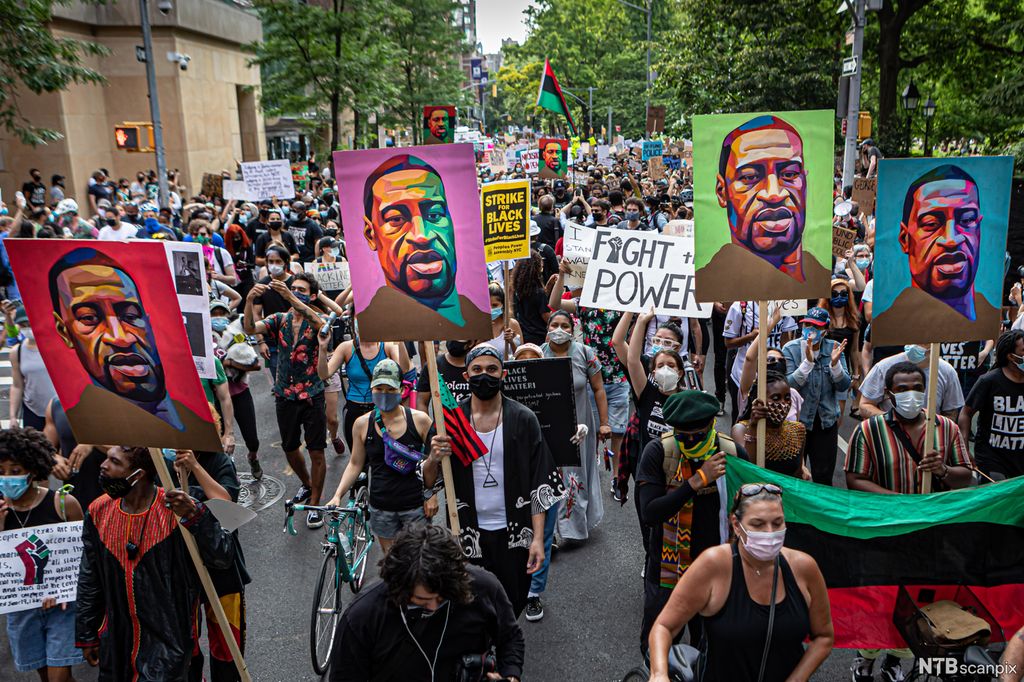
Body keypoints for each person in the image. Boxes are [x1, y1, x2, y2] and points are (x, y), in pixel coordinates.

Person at [845, 363, 973, 682]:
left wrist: (943, 470)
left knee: (917, 598)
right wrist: (897, 503)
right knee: (880, 597)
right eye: (901, 389)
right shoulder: (869, 430)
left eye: (916, 386)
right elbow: (854, 478)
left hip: (931, 535)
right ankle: (866, 656)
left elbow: (966, 475)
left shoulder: (946, 429)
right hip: (884, 531)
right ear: (888, 394)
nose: (910, 394)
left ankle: (895, 658)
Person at [424, 345, 566, 616]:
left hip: (515, 535)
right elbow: (429, 482)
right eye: (477, 370)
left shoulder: (524, 419)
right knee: (471, 606)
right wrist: (433, 457)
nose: (484, 375)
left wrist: (537, 539)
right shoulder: (450, 422)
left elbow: (539, 486)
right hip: (468, 535)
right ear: (466, 376)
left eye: (491, 369)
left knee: (511, 604)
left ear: (503, 375)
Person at [76, 445, 235, 680]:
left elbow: (222, 556)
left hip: (172, 645)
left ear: (137, 474)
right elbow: (90, 578)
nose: (103, 466)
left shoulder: (179, 508)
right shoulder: (98, 511)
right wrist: (87, 633)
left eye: (115, 462)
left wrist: (195, 517)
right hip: (118, 643)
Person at [647, 484, 833, 682]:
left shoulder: (804, 568)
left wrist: (796, 679)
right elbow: (664, 627)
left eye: (777, 523)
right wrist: (659, 674)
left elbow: (824, 637)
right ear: (736, 524)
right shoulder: (713, 565)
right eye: (758, 524)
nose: (769, 533)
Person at [48, 247, 215, 444]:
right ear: (64, 331)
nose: (120, 338)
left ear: (149, 321)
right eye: (89, 318)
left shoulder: (200, 422)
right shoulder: (82, 424)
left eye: (130, 316)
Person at [329, 523, 524, 682]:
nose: (433, 607)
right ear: (399, 584)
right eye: (421, 600)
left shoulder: (483, 586)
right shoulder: (362, 616)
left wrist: (511, 676)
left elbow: (510, 637)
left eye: (442, 598)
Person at [636, 391, 747, 653]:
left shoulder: (731, 453)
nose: (691, 442)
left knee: (709, 646)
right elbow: (650, 513)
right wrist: (695, 482)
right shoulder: (659, 452)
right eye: (683, 437)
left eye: (699, 436)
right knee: (657, 647)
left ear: (711, 426)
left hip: (715, 570)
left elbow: (750, 508)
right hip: (667, 571)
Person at [356, 153, 487, 338]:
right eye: (396, 219)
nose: (422, 236)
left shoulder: (484, 321)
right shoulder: (373, 329)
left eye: (434, 215)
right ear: (371, 235)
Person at [872, 164, 999, 337]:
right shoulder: (885, 328)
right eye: (931, 224)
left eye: (967, 220)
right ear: (904, 239)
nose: (951, 239)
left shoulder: (993, 325)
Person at [243, 274, 329, 528]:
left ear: (312, 295)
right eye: (292, 289)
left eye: (301, 290)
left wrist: (290, 297)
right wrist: (249, 301)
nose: (295, 292)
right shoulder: (280, 320)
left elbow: (320, 324)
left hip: (312, 394)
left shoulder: (316, 319)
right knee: (290, 448)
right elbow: (250, 328)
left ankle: (315, 503)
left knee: (316, 451)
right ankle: (307, 484)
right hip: (285, 395)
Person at [704, 115, 829, 287]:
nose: (773, 194)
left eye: (790, 174)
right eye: (750, 177)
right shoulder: (709, 286)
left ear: (805, 185)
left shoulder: (827, 284)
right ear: (722, 192)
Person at [1, 427, 85, 682]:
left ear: (33, 470)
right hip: (22, 608)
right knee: (46, 675)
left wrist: (63, 589)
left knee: (59, 673)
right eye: (1, 471)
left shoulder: (63, 504)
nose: (6, 478)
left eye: (15, 471)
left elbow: (82, 555)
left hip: (62, 606)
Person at [325, 359, 435, 552]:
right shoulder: (361, 424)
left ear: (401, 390)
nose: (384, 394)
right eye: (379, 389)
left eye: (390, 389)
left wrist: (431, 494)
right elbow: (355, 464)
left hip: (415, 507)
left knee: (418, 560)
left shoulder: (420, 421)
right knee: (391, 561)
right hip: (381, 506)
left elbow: (435, 462)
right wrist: (337, 495)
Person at [541, 310, 610, 542]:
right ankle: (552, 531)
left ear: (573, 330)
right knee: (551, 476)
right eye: (555, 325)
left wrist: (604, 423)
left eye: (565, 326)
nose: (559, 330)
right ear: (547, 329)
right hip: (548, 428)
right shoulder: (538, 354)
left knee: (576, 475)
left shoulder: (585, 353)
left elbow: (599, 389)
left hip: (580, 426)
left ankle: (574, 529)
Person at [782, 307, 851, 485]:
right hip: (797, 423)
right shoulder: (790, 349)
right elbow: (787, 387)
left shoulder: (834, 348)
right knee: (794, 475)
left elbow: (844, 385)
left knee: (823, 477)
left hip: (825, 421)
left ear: (825, 331)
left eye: (816, 327)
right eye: (807, 325)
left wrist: (835, 366)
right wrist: (807, 363)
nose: (810, 331)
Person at [959, 329, 1024, 479]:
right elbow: (966, 413)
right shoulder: (989, 381)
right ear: (1010, 356)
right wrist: (964, 447)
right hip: (992, 458)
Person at [733, 370, 808, 479]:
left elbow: (797, 475)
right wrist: (754, 427)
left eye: (787, 398)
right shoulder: (741, 429)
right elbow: (747, 470)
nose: (783, 404)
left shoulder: (798, 430)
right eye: (776, 398)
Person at [859, 343, 964, 419]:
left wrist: (935, 431)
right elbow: (865, 405)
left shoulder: (948, 372)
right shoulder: (883, 367)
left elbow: (951, 412)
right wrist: (891, 420)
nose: (916, 343)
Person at [8, 302, 57, 430]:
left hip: (58, 410)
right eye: (23, 325)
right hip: (32, 411)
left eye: (30, 324)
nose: (28, 328)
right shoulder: (17, 352)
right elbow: (17, 385)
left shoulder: (57, 347)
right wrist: (13, 416)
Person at [818, 279, 862, 418]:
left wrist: (856, 375)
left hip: (842, 372)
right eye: (834, 294)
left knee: (839, 414)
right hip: (822, 371)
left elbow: (855, 350)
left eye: (843, 293)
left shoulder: (853, 320)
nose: (839, 297)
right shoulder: (821, 318)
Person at [511, 249, 552, 345]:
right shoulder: (538, 292)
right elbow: (546, 316)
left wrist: (549, 286)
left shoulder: (518, 290)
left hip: (523, 336)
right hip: (540, 337)